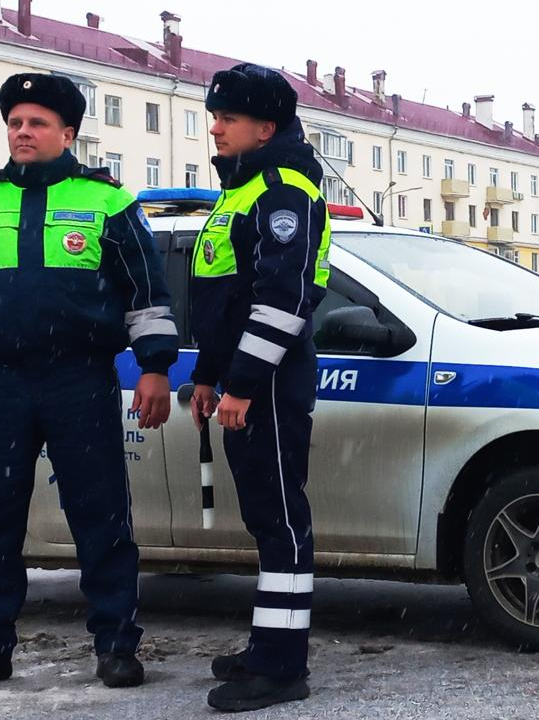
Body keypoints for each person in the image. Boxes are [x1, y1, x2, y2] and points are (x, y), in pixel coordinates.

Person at [0, 73, 178, 692]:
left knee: (102, 518)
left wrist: (155, 366)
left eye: (37, 123)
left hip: (79, 381)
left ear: (68, 133)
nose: (23, 132)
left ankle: (115, 646)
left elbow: (146, 295)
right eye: (16, 123)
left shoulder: (108, 201)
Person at [189, 63, 331, 712]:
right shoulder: (243, 187)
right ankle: (268, 645)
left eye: (227, 118)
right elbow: (227, 301)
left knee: (281, 524)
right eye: (214, 115)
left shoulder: (281, 189)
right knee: (266, 520)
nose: (213, 128)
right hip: (247, 380)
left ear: (264, 127)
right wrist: (208, 378)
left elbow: (282, 300)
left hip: (271, 381)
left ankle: (281, 668)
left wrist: (242, 384)